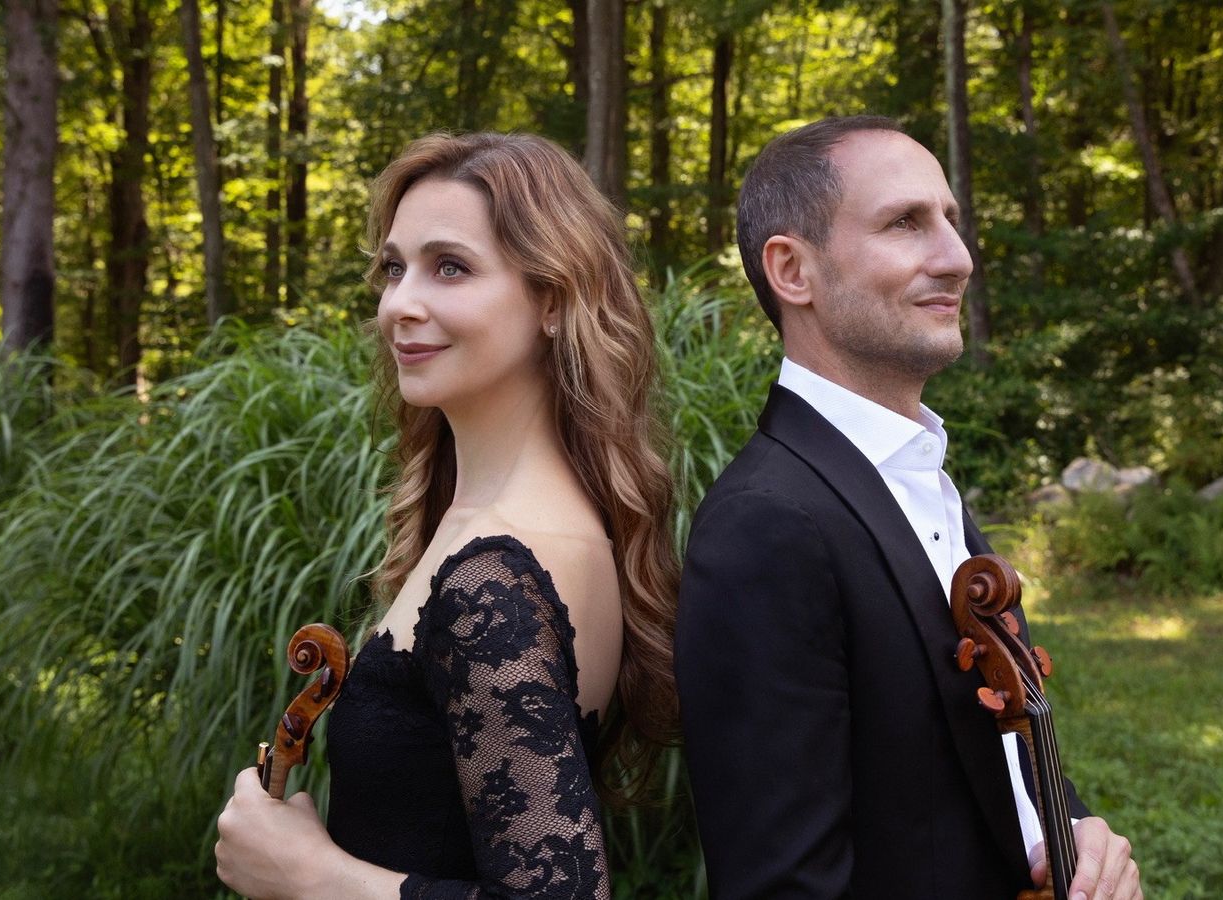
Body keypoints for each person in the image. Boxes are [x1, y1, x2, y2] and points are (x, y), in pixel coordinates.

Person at [676, 115, 1143, 900]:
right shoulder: (766, 526)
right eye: (904, 222)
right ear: (792, 270)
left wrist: (1070, 827)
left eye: (950, 220)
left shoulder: (911, 473)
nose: (957, 257)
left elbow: (976, 754)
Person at [215, 132, 679, 900]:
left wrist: (310, 875)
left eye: (450, 267)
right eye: (394, 268)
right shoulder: (516, 528)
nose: (399, 304)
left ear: (553, 301)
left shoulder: (495, 574)